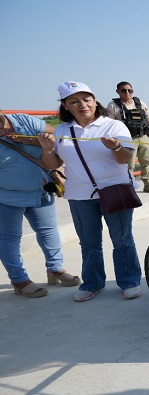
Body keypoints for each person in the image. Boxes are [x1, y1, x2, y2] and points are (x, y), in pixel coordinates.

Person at [38, 81, 142, 302]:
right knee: (89, 242)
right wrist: (47, 149)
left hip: (115, 189)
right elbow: (52, 163)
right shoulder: (62, 130)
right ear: (65, 106)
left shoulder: (114, 126)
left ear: (95, 101)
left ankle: (129, 281)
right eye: (74, 101)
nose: (82, 105)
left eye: (87, 99)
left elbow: (125, 159)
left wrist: (115, 147)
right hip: (79, 195)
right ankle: (93, 283)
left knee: (122, 239)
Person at [0, 110, 80, 298]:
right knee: (9, 238)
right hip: (6, 197)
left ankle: (56, 269)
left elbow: (57, 137)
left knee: (49, 230)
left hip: (41, 190)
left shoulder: (23, 121)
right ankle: (19, 279)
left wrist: (28, 140)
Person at [106, 81, 149, 193]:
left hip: (143, 136)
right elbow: (109, 123)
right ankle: (130, 186)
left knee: (146, 161)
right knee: (129, 164)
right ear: (117, 92)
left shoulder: (139, 103)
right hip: (127, 138)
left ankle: (148, 184)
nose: (127, 93)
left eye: (130, 90)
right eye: (123, 90)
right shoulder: (113, 105)